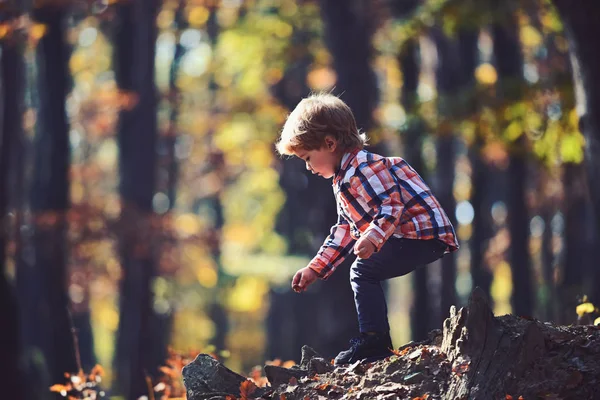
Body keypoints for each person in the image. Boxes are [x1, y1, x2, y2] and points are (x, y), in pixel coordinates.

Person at [275, 93, 459, 365]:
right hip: (409, 235)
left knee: (363, 270)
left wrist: (373, 237)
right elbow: (344, 230)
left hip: (422, 233)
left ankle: (375, 340)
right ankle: (375, 339)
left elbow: (392, 205)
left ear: (329, 143)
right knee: (364, 270)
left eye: (308, 157)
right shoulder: (343, 179)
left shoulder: (363, 167)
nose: (308, 167)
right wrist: (315, 268)